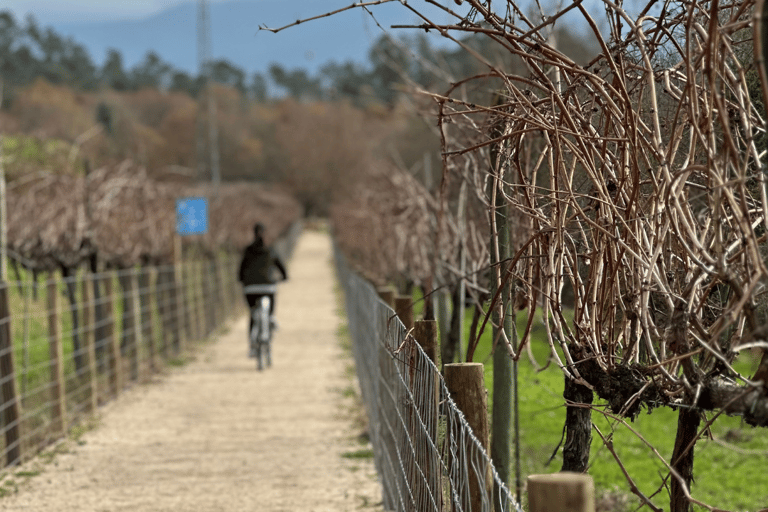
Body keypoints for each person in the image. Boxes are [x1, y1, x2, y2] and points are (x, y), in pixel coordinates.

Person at [238, 223, 288, 349]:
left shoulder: (248, 251)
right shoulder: (270, 250)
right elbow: (280, 266)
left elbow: (241, 269)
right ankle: (270, 317)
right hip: (268, 286)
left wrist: (241, 280)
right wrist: (284, 277)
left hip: (250, 288)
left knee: (253, 313)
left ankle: (252, 343)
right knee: (271, 299)